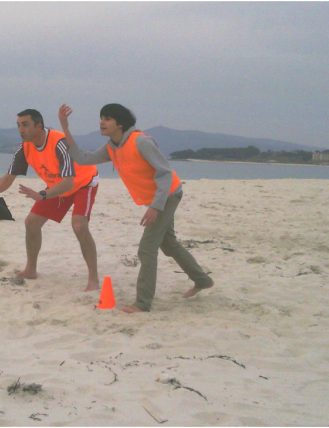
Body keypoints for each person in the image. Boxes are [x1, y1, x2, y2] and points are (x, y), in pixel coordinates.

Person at [58, 103, 214, 313]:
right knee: (168, 244)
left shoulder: (141, 141)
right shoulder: (112, 146)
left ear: (120, 124)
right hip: (158, 198)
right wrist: (65, 127)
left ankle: (142, 303)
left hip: (168, 194)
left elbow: (165, 172)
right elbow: (83, 158)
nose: (102, 122)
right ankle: (203, 280)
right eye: (101, 118)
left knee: (146, 249)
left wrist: (156, 207)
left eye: (107, 119)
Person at [0, 109, 101, 291]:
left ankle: (93, 279)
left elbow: (68, 183)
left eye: (25, 125)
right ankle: (31, 269)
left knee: (79, 225)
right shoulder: (25, 148)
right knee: (31, 223)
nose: (21, 130)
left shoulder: (59, 143)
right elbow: (9, 177)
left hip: (83, 182)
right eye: (19, 125)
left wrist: (42, 194)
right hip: (58, 185)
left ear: (39, 126)